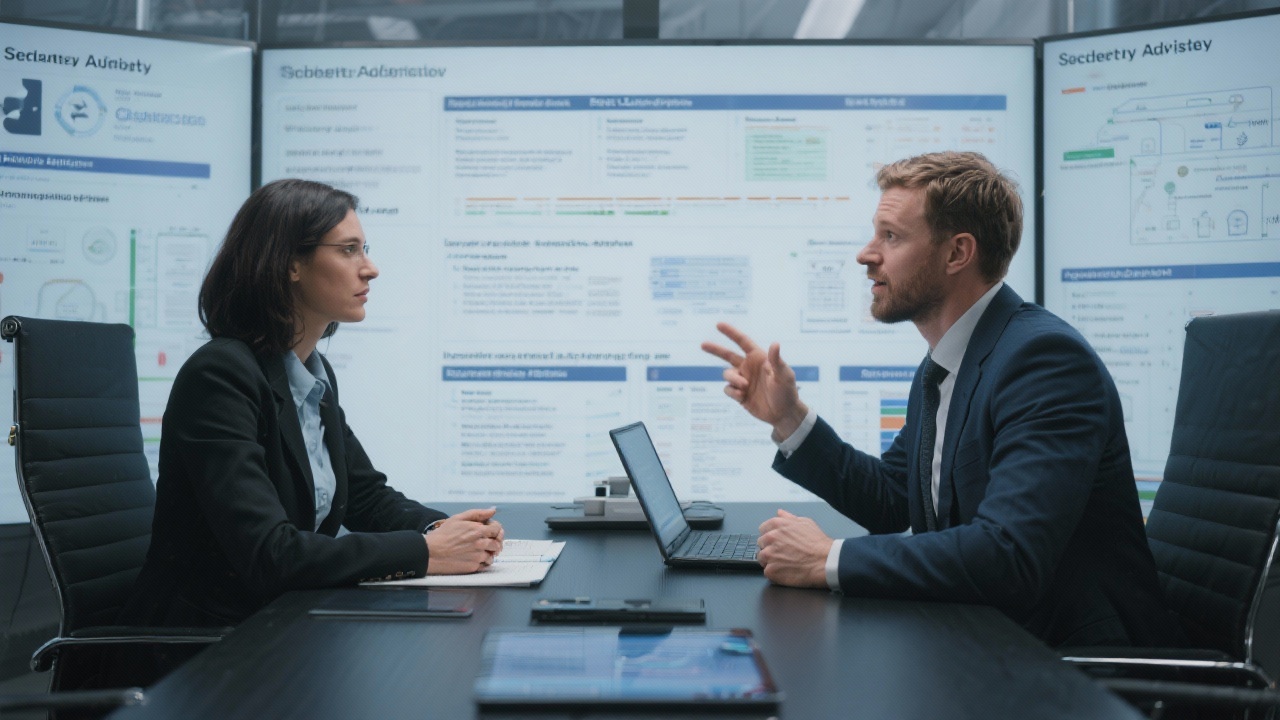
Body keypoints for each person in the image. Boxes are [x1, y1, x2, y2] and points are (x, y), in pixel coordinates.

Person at [702, 151, 1180, 647]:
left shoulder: (1044, 361)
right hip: (983, 635)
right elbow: (896, 498)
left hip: (1070, 662)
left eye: (891, 236)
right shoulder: (950, 359)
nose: (866, 255)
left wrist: (829, 558)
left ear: (957, 254)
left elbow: (1009, 554)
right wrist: (789, 418)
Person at [122, 178, 504, 628]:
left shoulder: (310, 373)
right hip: (206, 644)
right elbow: (271, 553)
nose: (370, 269)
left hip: (279, 623)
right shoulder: (220, 376)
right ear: (290, 264)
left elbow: (365, 497)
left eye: (364, 249)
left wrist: (447, 532)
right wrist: (425, 553)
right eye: (348, 250)